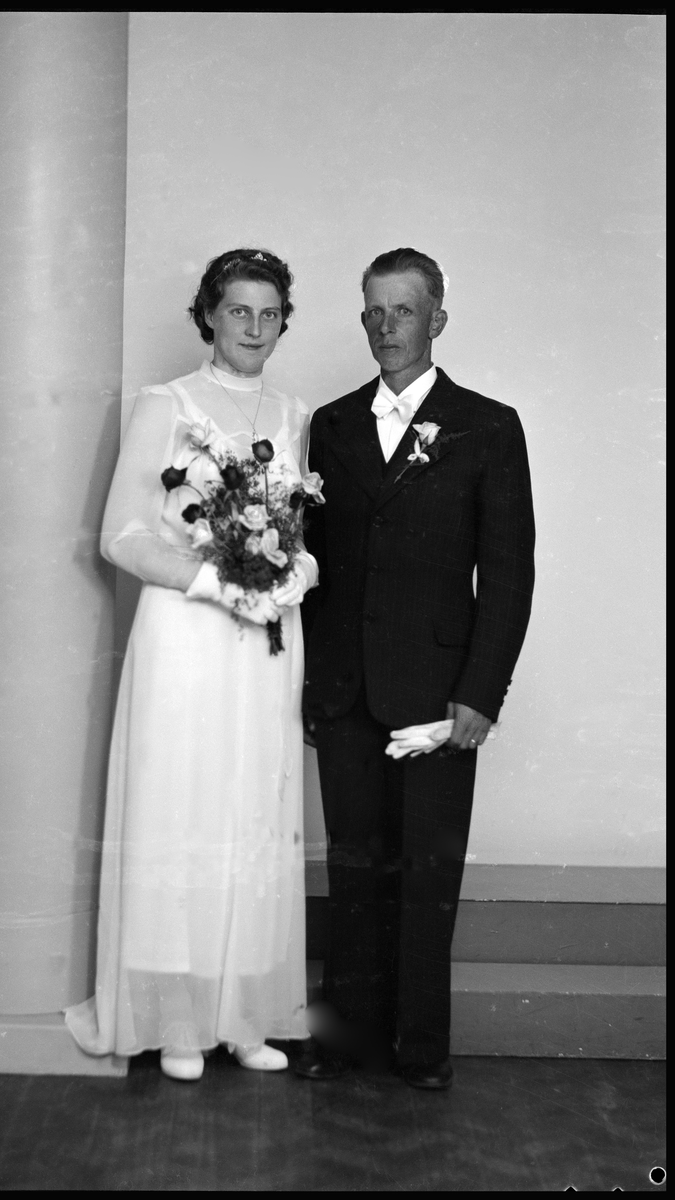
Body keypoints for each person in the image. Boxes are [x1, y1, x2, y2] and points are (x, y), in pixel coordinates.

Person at [65, 248, 317, 1081]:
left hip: (264, 639)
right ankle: (176, 1021)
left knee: (252, 812)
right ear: (208, 314)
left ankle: (242, 1015)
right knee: (183, 809)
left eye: (270, 313)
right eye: (239, 310)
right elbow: (122, 535)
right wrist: (212, 581)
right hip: (187, 632)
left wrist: (297, 571)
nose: (255, 328)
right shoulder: (164, 404)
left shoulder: (294, 412)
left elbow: (300, 525)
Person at [296, 248, 535, 1089]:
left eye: (403, 310)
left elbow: (508, 574)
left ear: (437, 319)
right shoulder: (331, 424)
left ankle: (421, 1048)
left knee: (427, 873)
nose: (386, 326)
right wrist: (312, 685)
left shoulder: (487, 425)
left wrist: (481, 694)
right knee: (353, 869)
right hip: (346, 688)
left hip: (437, 692)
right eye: (373, 310)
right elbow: (316, 566)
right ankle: (345, 1039)